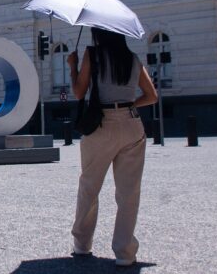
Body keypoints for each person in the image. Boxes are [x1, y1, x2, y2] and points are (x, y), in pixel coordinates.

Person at [66, 27, 158, 267]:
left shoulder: (92, 54)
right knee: (129, 192)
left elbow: (78, 92)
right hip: (131, 124)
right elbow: (151, 96)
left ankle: (82, 244)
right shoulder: (133, 58)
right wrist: (129, 106)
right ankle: (124, 253)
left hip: (101, 125)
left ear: (98, 33)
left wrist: (72, 67)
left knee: (89, 186)